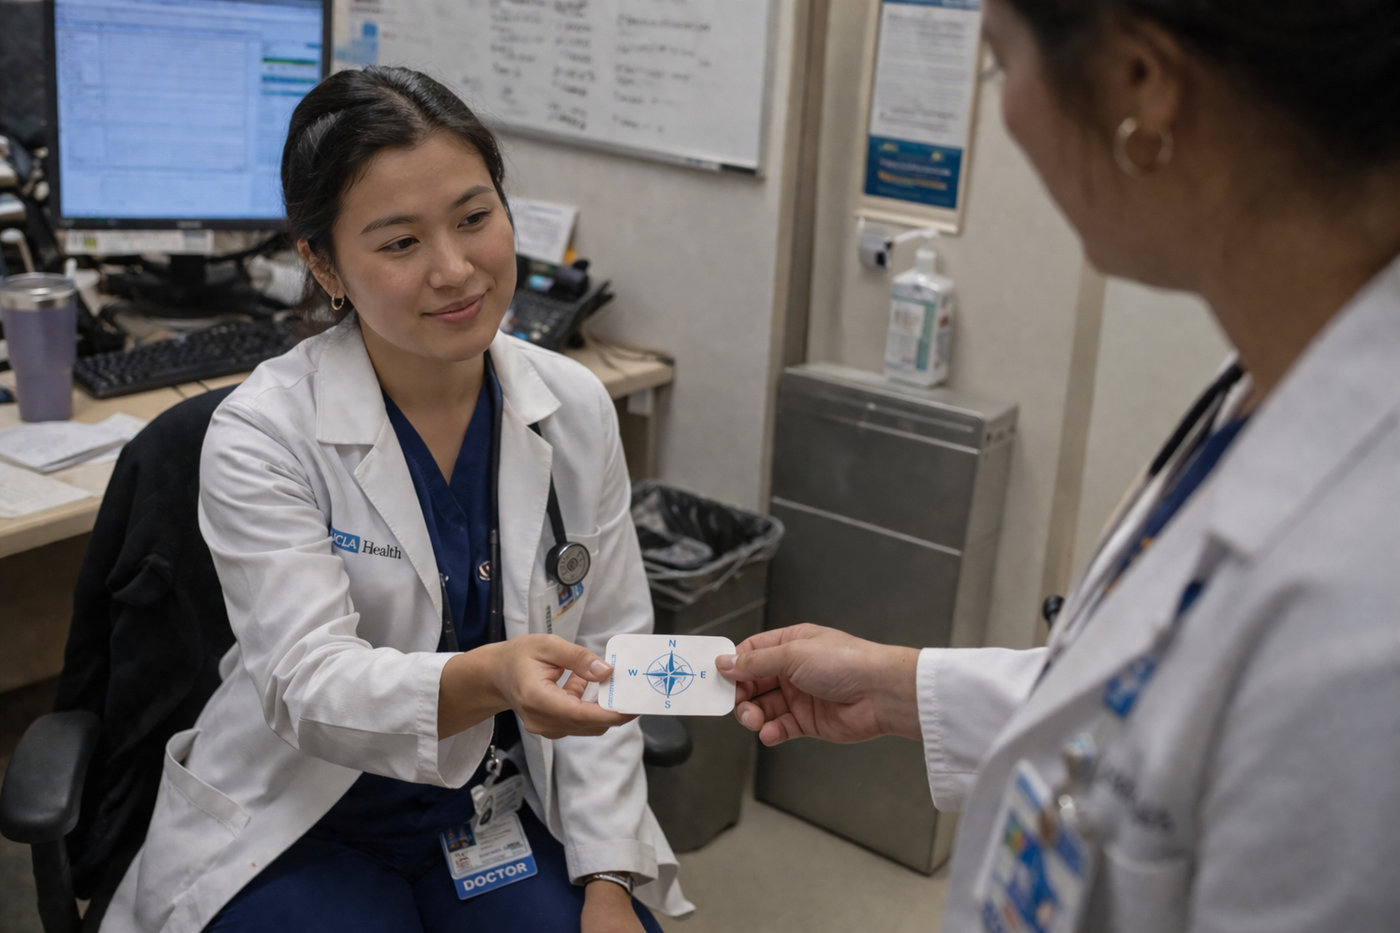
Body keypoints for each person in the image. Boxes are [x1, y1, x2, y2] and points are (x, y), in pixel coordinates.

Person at [721, 0, 1400, 930]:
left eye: (1000, 62)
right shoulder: (1272, 378)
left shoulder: (1365, 608)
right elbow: (1149, 711)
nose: (1007, 109)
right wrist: (900, 683)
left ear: (1140, 84)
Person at [101, 67, 690, 933]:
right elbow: (307, 682)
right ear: (322, 262)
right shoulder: (264, 432)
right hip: (304, 813)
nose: (455, 270)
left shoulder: (572, 406)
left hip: (489, 807)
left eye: (474, 217)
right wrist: (490, 676)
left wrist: (606, 877)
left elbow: (608, 648)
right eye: (400, 242)